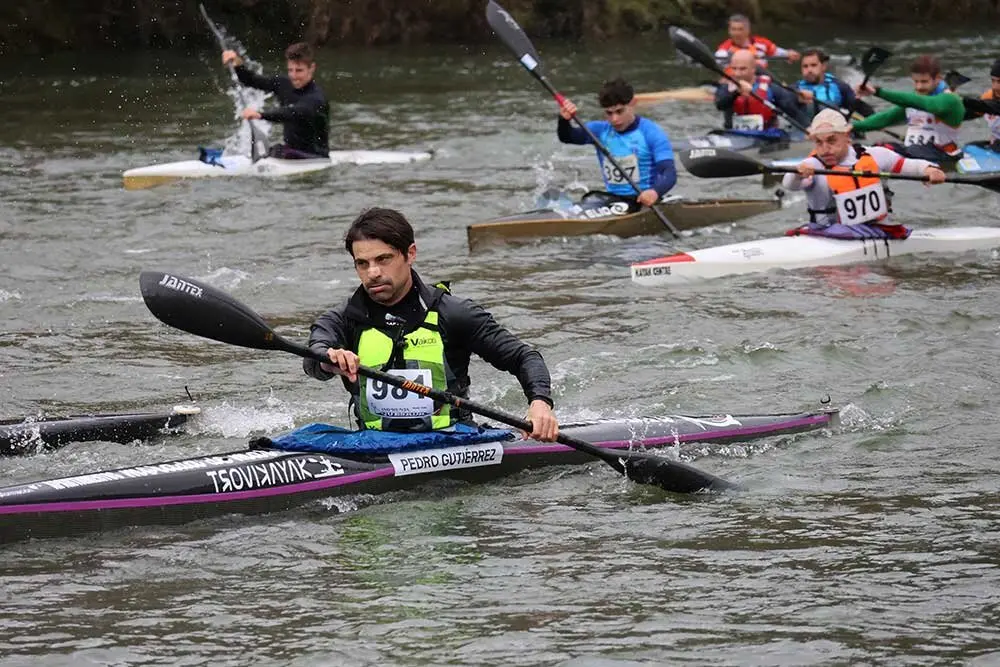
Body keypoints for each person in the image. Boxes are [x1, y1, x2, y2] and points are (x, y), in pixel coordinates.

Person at [303, 208, 559, 441]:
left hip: (453, 440)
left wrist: (540, 404)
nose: (373, 273)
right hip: (374, 443)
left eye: (383, 259)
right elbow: (314, 357)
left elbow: (524, 357)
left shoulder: (454, 313)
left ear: (410, 254)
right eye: (362, 264)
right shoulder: (343, 318)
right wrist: (328, 361)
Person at [781, 108, 946, 240]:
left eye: (831, 140)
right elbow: (789, 184)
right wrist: (797, 174)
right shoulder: (812, 165)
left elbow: (911, 165)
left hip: (879, 230)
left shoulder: (876, 155)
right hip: (828, 234)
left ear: (847, 136)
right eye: (819, 142)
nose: (825, 149)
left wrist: (930, 169)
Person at [556, 78, 676, 207]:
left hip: (643, 201)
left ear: (632, 104)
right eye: (609, 113)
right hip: (614, 200)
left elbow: (668, 172)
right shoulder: (599, 130)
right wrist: (564, 120)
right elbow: (567, 137)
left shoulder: (651, 133)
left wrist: (654, 192)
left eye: (620, 111)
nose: (614, 119)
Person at [221, 42, 330, 159]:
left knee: (278, 151)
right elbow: (251, 80)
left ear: (312, 68)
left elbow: (292, 113)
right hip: (290, 151)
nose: (293, 76)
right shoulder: (283, 83)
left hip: (314, 157)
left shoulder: (316, 98)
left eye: (299, 70)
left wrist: (260, 114)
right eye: (290, 70)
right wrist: (237, 64)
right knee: (275, 150)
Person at [853, 55, 964, 163]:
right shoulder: (914, 100)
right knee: (873, 149)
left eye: (924, 82)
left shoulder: (950, 100)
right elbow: (885, 119)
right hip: (914, 154)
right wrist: (851, 127)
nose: (919, 87)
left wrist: (878, 92)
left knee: (905, 150)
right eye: (916, 81)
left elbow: (928, 104)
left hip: (944, 156)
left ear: (938, 79)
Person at [714, 50, 808, 132]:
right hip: (734, 134)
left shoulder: (770, 88)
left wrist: (808, 128)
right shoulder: (726, 87)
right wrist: (736, 93)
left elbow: (793, 112)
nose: (737, 73)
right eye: (734, 68)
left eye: (743, 69)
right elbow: (720, 105)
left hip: (766, 136)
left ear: (753, 69)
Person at [714, 14, 799, 69]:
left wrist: (788, 54)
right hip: (735, 83)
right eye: (734, 29)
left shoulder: (763, 43)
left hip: (761, 81)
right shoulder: (723, 50)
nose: (737, 33)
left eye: (740, 29)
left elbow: (778, 52)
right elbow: (718, 61)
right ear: (729, 31)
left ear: (748, 30)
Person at [794, 48, 859, 120]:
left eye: (813, 65)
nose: (809, 70)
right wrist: (795, 98)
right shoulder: (795, 88)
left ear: (823, 66)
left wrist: (858, 97)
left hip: (832, 124)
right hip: (805, 125)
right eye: (805, 66)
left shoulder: (840, 86)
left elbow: (858, 107)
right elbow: (785, 101)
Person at [958, 58, 1000, 148]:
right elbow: (967, 113)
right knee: (968, 147)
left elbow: (992, 106)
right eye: (993, 81)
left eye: (999, 82)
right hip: (996, 143)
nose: (995, 87)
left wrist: (962, 100)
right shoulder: (989, 96)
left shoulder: (987, 104)